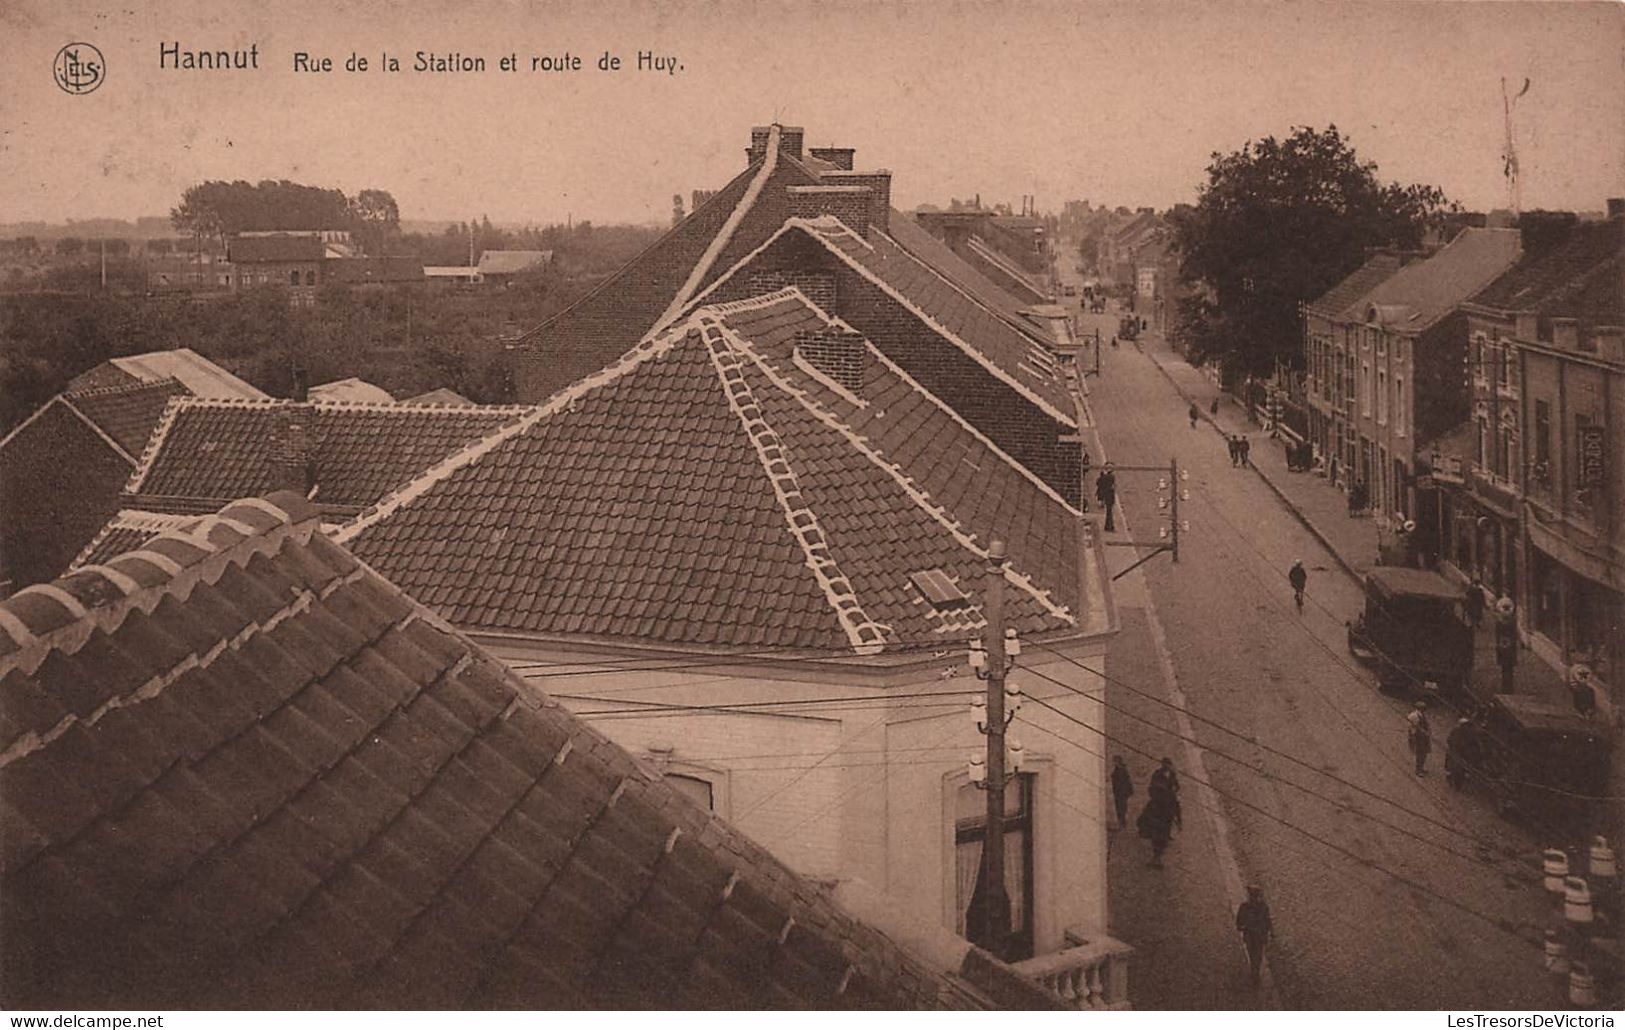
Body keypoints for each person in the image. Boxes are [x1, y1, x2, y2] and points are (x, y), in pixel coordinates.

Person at [1235, 885, 1273, 987]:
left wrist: (1241, 927)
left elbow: (1239, 921)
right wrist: (1270, 933)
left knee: (1252, 954)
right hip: (1258, 935)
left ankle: (1254, 972)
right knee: (1257, 954)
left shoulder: (1244, 906)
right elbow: (1268, 921)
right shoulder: (1263, 907)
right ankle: (1255, 972)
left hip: (1251, 935)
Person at [1136, 788, 1180, 867]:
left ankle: (1156, 859)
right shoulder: (1170, 798)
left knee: (1157, 840)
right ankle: (1157, 859)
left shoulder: (1159, 797)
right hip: (1163, 823)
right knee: (1159, 841)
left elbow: (1148, 808)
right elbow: (1176, 809)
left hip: (1160, 823)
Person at [1493, 598, 1518, 693]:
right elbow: (1514, 635)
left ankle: (1505, 687)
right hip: (1510, 649)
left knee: (1505, 669)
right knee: (1509, 669)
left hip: (1503, 648)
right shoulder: (1512, 622)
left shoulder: (1499, 623)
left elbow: (1497, 636)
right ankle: (1509, 687)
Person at [1445, 716, 1476, 790]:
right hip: (1456, 752)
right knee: (1454, 768)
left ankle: (1456, 784)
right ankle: (1453, 782)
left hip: (1460, 753)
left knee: (1458, 769)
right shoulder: (1457, 731)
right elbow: (1449, 739)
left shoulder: (1466, 733)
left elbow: (1449, 739)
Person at [1407, 701, 1432, 776]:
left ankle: (1421, 767)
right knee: (1420, 753)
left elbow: (1426, 724)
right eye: (1422, 708)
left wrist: (1428, 731)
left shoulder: (1422, 715)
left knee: (1424, 753)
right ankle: (1418, 770)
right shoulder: (1413, 715)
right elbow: (1411, 726)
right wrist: (1414, 733)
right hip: (1418, 737)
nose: (1423, 710)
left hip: (1424, 737)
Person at [1110, 756, 1134, 829]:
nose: (1115, 763)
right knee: (1119, 808)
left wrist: (1129, 791)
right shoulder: (1117, 770)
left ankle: (1122, 823)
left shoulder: (1123, 771)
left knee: (1122, 808)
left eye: (1116, 761)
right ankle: (1121, 823)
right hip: (1118, 792)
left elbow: (1127, 781)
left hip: (1122, 793)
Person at [1096, 462, 1118, 532]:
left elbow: (1098, 483)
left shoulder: (1104, 477)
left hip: (1106, 496)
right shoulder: (1110, 477)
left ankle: (1108, 526)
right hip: (1109, 496)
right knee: (1109, 512)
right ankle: (1109, 527)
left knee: (1109, 512)